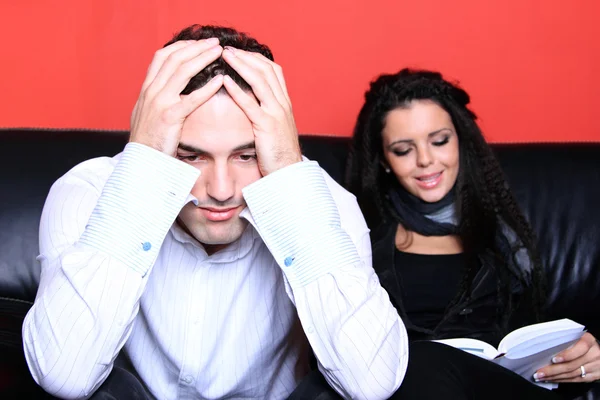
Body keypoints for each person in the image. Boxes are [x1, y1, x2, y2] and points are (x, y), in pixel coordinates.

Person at [22, 25, 409, 400]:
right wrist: (144, 169)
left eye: (247, 155)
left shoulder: (326, 205)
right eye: (190, 156)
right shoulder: (87, 192)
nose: (221, 190)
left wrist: (288, 172)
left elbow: (371, 383)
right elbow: (65, 376)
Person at [346, 68, 599, 398]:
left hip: (498, 388)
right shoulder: (363, 239)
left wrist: (586, 351)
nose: (426, 160)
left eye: (439, 141)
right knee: (419, 361)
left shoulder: (504, 237)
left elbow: (537, 330)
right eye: (404, 150)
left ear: (460, 141)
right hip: (407, 387)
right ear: (384, 161)